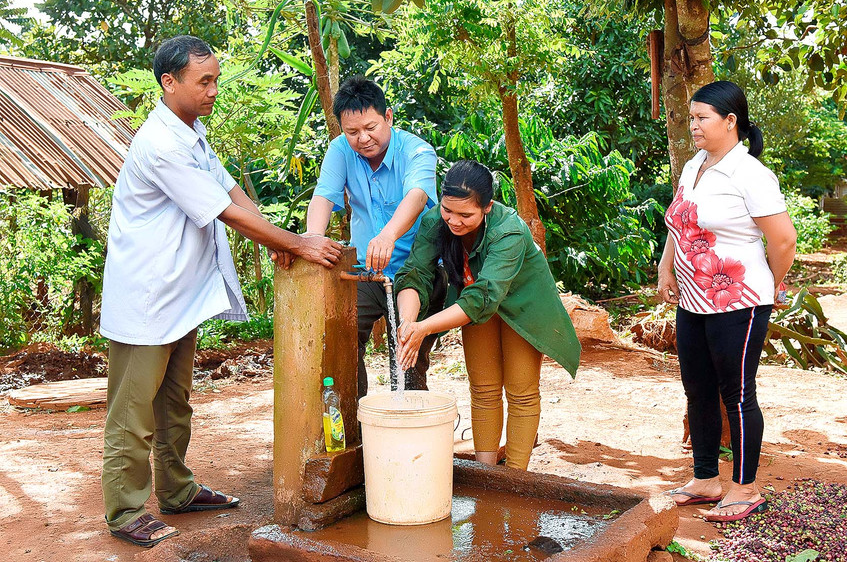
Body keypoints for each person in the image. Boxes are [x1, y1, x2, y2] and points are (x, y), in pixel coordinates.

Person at [100, 35, 342, 548]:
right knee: (133, 410)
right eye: (202, 81)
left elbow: (232, 190)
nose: (213, 90)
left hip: (178, 296)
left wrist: (279, 238)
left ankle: (177, 490)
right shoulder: (161, 144)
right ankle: (124, 511)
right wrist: (298, 242)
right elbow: (224, 212)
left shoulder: (193, 132)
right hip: (146, 298)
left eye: (215, 79)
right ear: (169, 83)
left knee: (174, 402)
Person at [657, 81, 797, 522]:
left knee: (736, 394)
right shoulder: (695, 165)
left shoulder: (750, 174)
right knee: (697, 391)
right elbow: (680, 223)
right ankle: (705, 479)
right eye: (692, 117)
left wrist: (769, 286)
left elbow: (784, 239)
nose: (693, 125)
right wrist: (666, 267)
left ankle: (745, 487)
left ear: (731, 121)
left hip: (739, 302)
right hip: (693, 299)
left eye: (702, 118)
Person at [394, 160, 580, 471]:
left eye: (465, 215)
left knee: (521, 390)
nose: (454, 221)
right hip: (473, 299)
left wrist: (424, 327)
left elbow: (485, 296)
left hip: (524, 304)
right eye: (447, 211)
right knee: (482, 387)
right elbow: (414, 274)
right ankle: (487, 473)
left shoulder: (509, 230)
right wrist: (408, 323)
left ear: (487, 207)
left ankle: (515, 477)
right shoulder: (434, 221)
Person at [305, 76, 444, 398]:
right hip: (365, 273)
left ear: (389, 117)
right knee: (342, 346)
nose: (362, 139)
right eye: (352, 132)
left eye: (370, 127)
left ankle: (410, 434)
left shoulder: (418, 151)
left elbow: (418, 194)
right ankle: (357, 436)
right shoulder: (340, 149)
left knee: (407, 363)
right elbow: (324, 196)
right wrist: (312, 238)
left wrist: (388, 235)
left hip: (418, 271)